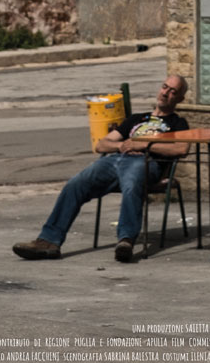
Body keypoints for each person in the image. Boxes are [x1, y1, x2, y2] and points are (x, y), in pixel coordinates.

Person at [12, 73, 189, 264]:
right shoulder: (137, 119)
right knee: (75, 184)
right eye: (165, 87)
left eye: (173, 91)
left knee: (132, 184)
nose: (166, 93)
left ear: (180, 99)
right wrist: (120, 146)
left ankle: (126, 240)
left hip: (145, 162)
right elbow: (102, 145)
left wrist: (145, 145)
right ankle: (48, 242)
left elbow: (182, 149)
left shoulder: (178, 123)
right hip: (116, 160)